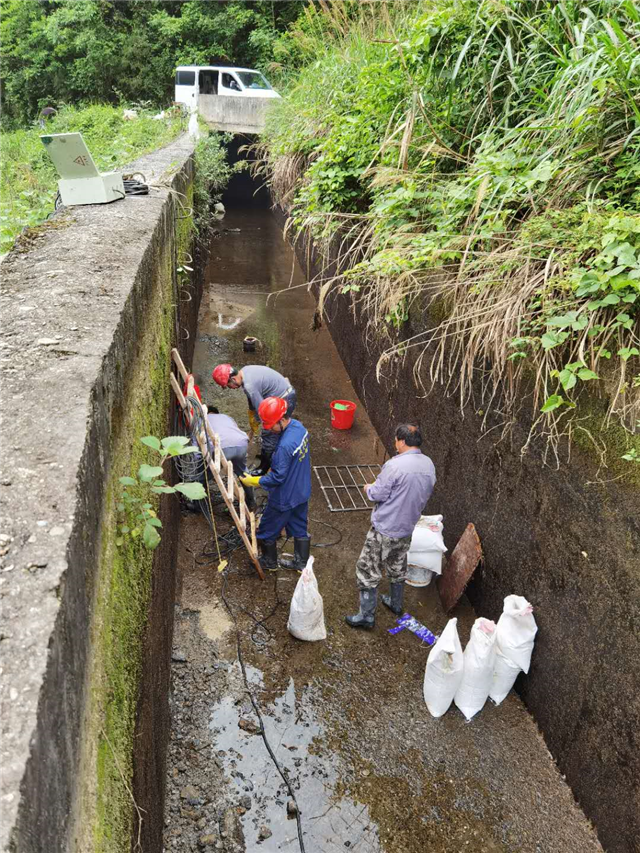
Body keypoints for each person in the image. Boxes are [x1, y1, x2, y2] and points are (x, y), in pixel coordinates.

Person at [346, 424, 436, 630]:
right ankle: (396, 603)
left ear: (402, 442)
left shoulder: (395, 466)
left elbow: (378, 494)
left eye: (396, 439)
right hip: (407, 527)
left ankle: (366, 616)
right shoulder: (429, 464)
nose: (395, 443)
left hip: (386, 527)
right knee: (397, 564)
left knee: (367, 568)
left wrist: (368, 488)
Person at [240, 397, 311, 573]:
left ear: (281, 420)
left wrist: (255, 481)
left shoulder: (285, 447)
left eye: (271, 425)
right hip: (301, 490)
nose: (270, 429)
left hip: (284, 496)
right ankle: (301, 563)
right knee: (299, 527)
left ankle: (269, 562)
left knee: (266, 529)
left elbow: (277, 478)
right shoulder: (299, 428)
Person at [212, 364, 297, 474]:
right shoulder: (245, 371)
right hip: (282, 393)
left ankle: (266, 466)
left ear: (233, 379)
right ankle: (271, 454)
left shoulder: (249, 385)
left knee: (269, 433)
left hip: (284, 399)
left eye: (228, 385)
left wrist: (258, 420)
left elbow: (264, 412)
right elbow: (252, 399)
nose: (230, 388)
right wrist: (252, 413)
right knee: (272, 432)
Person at [197, 403, 255, 511]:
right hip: (241, 443)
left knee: (202, 476)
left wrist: (198, 464)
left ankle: (199, 506)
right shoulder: (226, 417)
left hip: (221, 446)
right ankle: (251, 502)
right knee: (243, 472)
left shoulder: (201, 420)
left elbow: (196, 444)